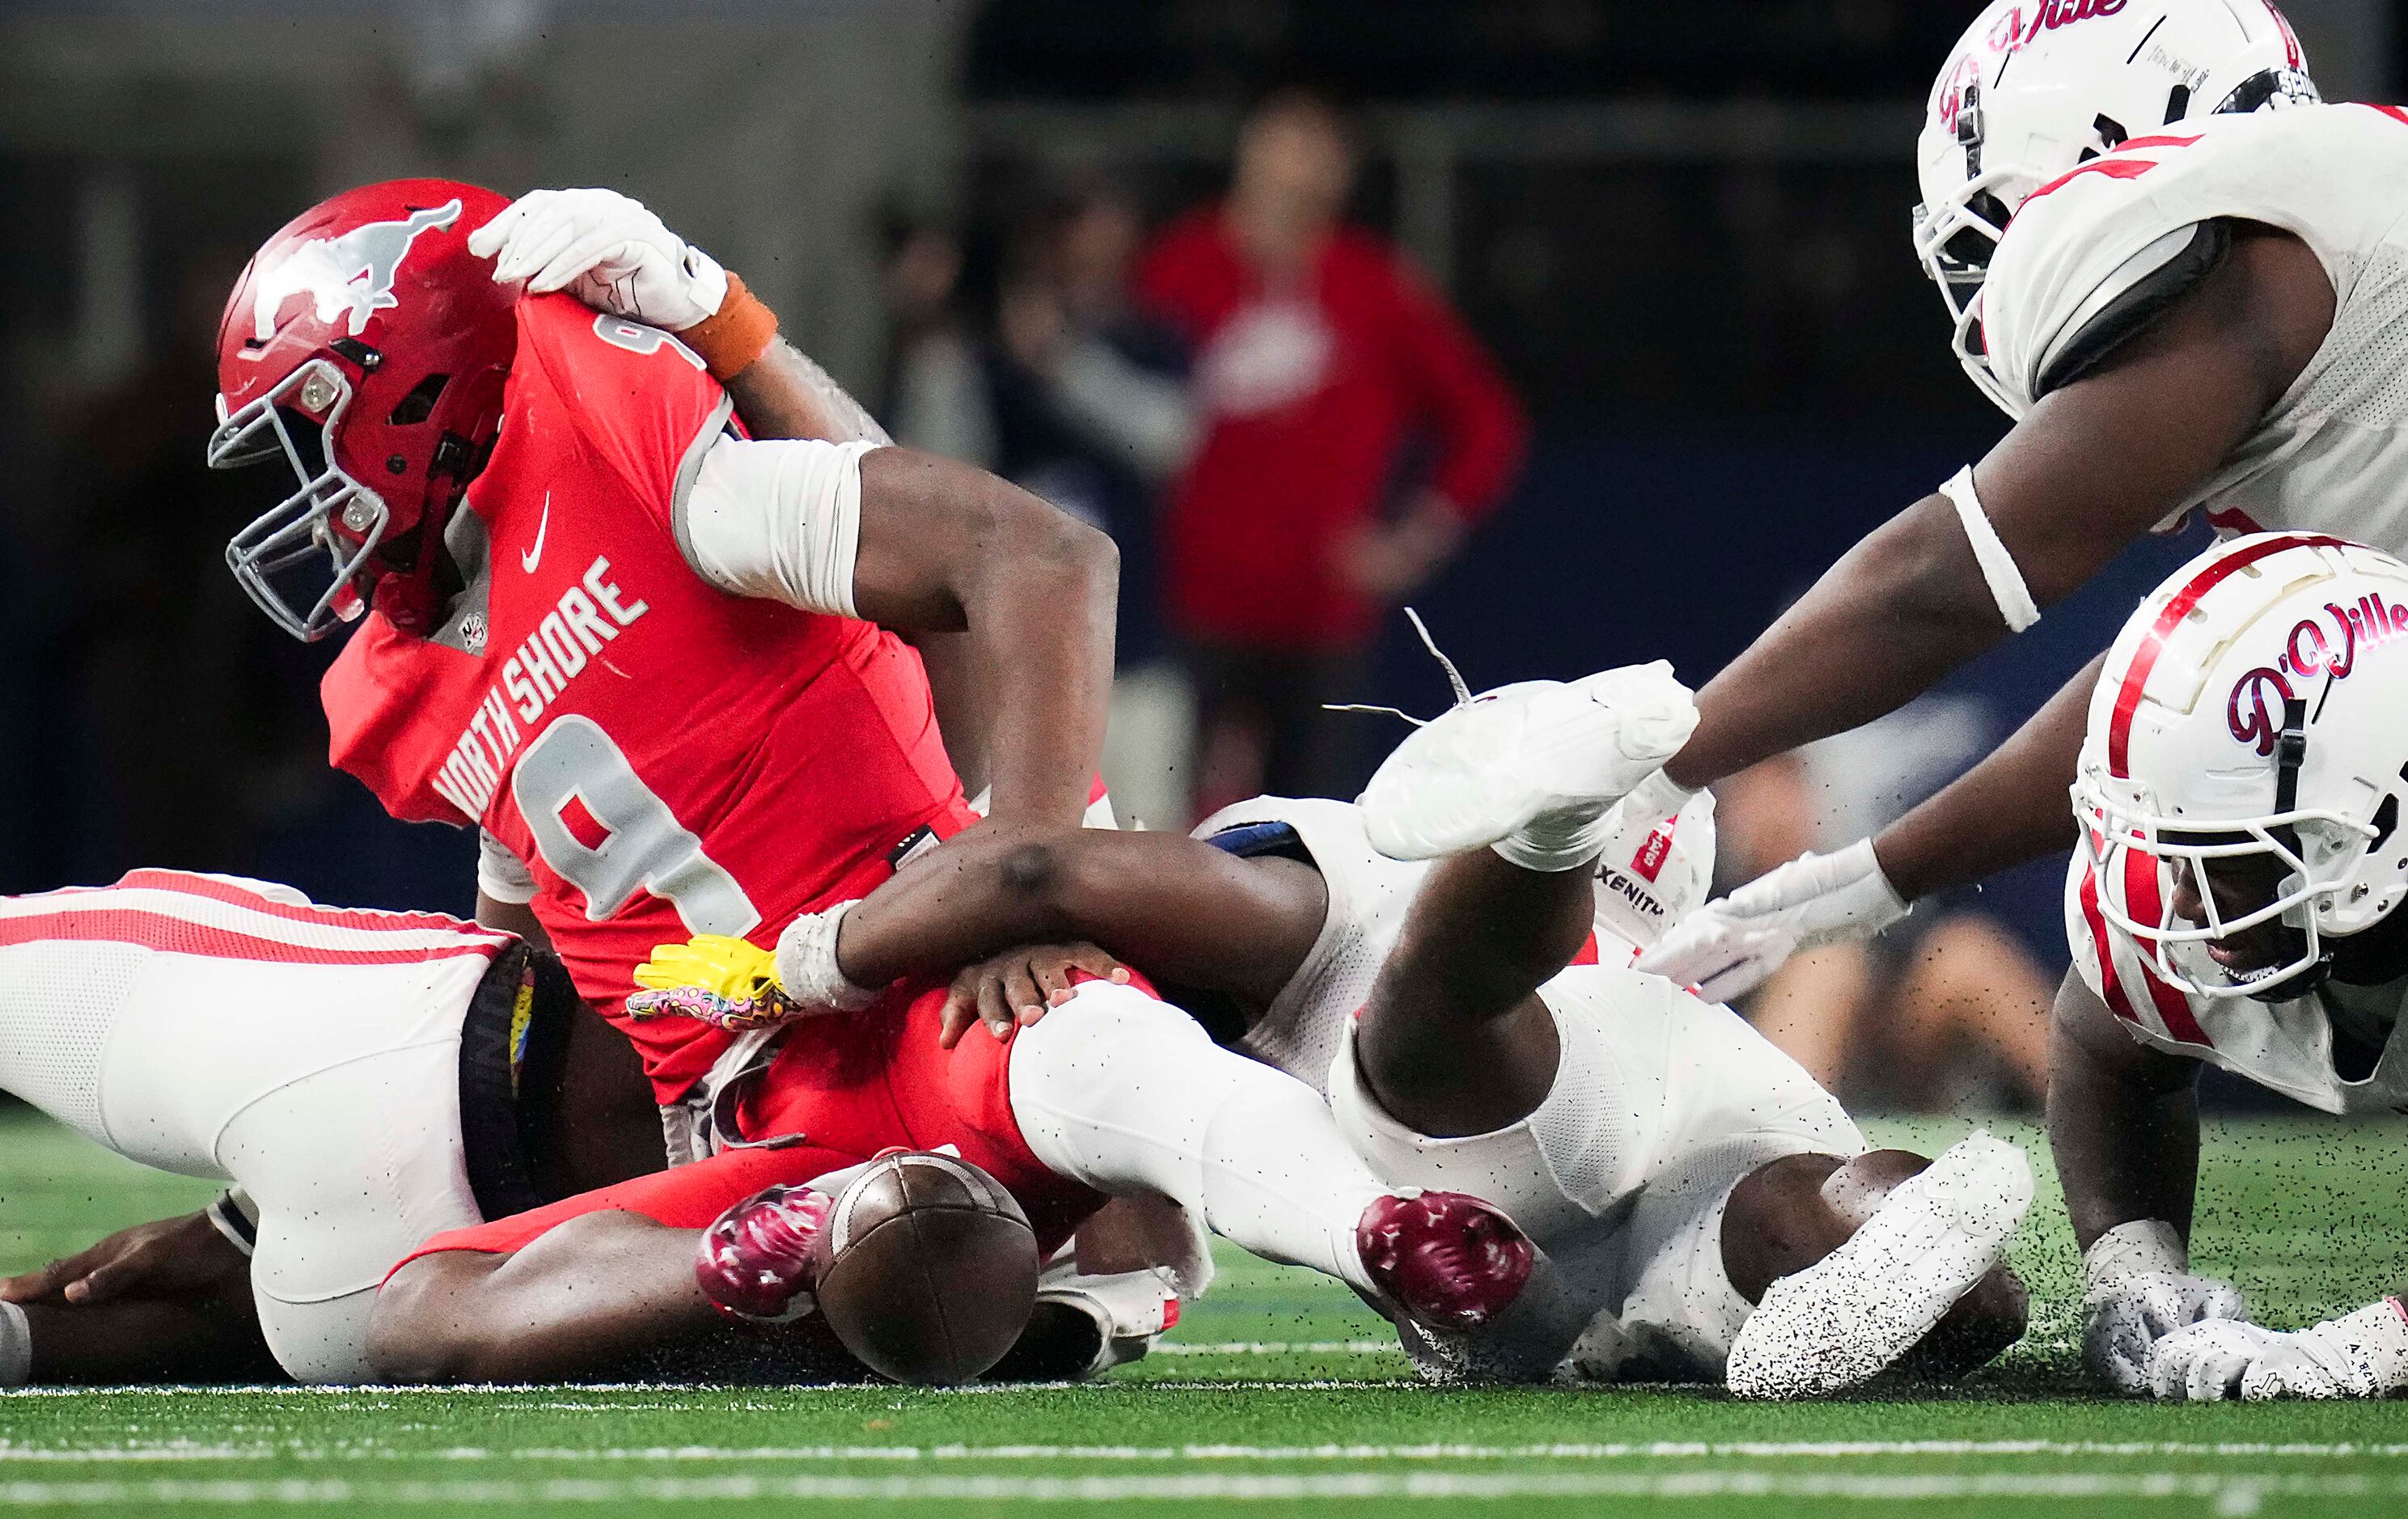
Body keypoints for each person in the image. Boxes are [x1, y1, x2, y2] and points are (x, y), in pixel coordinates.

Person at [649, 664, 2030, 1391]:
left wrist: (810, 958)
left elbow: (1038, 872)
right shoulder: (1665, 965)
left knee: (1427, 1037)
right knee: (1816, 1234)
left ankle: (1540, 839)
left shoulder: (1329, 877)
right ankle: (1916, 1226)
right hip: (1695, 1106)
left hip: (1481, 1123)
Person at [0, 868, 1532, 1386]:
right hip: (495, 1246)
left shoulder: (1045, 940)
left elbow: (1032, 569)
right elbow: (1108, 1231)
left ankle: (791, 1248)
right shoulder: (1113, 1163)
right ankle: (776, 1255)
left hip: (439, 1049)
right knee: (314, 1311)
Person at [1631, 1, 2380, 1005]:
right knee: (2132, 979)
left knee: (2140, 971)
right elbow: (2163, 699)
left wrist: (1646, 764)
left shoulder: (2270, 244)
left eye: (1992, 239)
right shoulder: (2353, 239)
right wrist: (1867, 877)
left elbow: (1945, 581)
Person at [2047, 535, 2408, 1402]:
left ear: (2377, 828)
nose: (2182, 903)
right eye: (2177, 853)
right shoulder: (2197, 908)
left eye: (2221, 857)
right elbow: (2103, 1048)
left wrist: (2378, 1345)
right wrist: (2133, 1266)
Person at [1135, 90, 1527, 812]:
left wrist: (1413, 539)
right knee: (1172, 827)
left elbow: (1485, 422)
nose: (1296, 179)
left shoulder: (1370, 287)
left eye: (1315, 161)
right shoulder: (1176, 272)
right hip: (1187, 610)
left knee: (1305, 841)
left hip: (1318, 620)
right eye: (1282, 155)